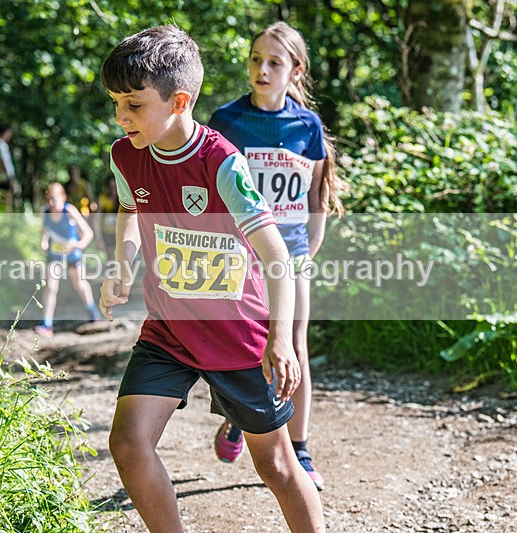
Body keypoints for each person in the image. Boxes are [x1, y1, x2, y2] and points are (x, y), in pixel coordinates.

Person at [99, 25, 325, 532]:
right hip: (169, 330)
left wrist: (281, 339)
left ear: (179, 100)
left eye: (133, 104)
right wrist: (123, 262)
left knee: (277, 466)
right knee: (128, 444)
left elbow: (276, 256)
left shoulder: (221, 162)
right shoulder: (125, 155)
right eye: (116, 102)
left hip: (237, 334)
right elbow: (131, 208)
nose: (120, 116)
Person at [208, 21, 348, 491]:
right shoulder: (225, 120)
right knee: (243, 348)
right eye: (255, 60)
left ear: (295, 70)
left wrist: (308, 251)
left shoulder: (307, 127)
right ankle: (238, 419)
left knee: (294, 343)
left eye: (274, 62)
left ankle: (301, 448)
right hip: (238, 257)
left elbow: (317, 198)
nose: (261, 70)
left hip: (290, 255)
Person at [34, 182, 102, 337]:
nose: (52, 202)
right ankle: (46, 324)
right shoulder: (44, 212)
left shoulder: (69, 210)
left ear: (63, 198)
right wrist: (43, 242)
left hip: (72, 255)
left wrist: (77, 245)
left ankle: (93, 314)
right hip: (54, 255)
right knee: (50, 286)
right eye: (50, 199)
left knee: (79, 283)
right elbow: (45, 230)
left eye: (55, 199)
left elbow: (88, 233)